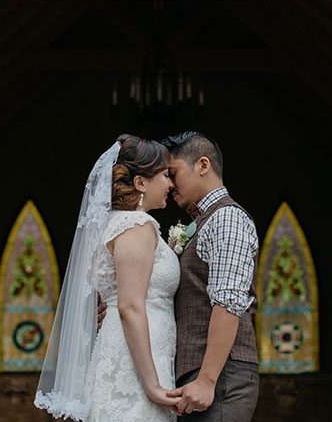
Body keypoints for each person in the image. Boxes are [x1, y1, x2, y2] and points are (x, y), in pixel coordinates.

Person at [35, 134, 181, 421]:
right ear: (140, 182)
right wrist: (152, 385)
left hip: (130, 353)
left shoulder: (113, 225)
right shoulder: (137, 225)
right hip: (135, 364)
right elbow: (129, 306)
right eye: (165, 175)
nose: (170, 184)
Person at [161, 132, 260, 420]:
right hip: (203, 375)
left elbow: (228, 302)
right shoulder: (204, 221)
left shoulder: (227, 217)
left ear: (202, 165)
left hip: (222, 377)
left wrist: (207, 379)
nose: (168, 183)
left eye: (173, 173)